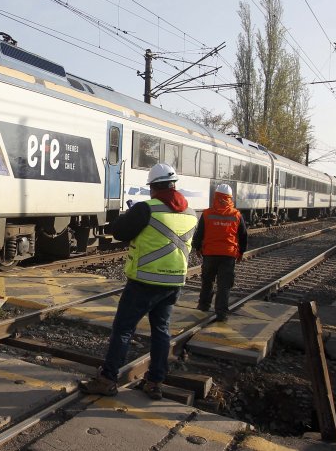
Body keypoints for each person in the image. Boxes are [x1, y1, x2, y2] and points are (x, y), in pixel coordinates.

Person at [79, 163, 198, 400]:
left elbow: (120, 232)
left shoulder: (146, 209)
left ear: (153, 187)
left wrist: (130, 214)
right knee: (161, 332)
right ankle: (154, 382)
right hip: (173, 284)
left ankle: (107, 379)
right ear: (173, 185)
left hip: (144, 283)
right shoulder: (191, 213)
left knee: (123, 329)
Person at [192, 184, 248, 322]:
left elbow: (199, 234)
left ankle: (203, 305)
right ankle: (221, 313)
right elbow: (243, 235)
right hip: (228, 256)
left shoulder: (207, 214)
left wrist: (197, 248)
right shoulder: (236, 215)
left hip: (209, 254)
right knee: (224, 285)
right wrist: (241, 252)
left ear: (215, 196)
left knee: (207, 281)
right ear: (230, 197)